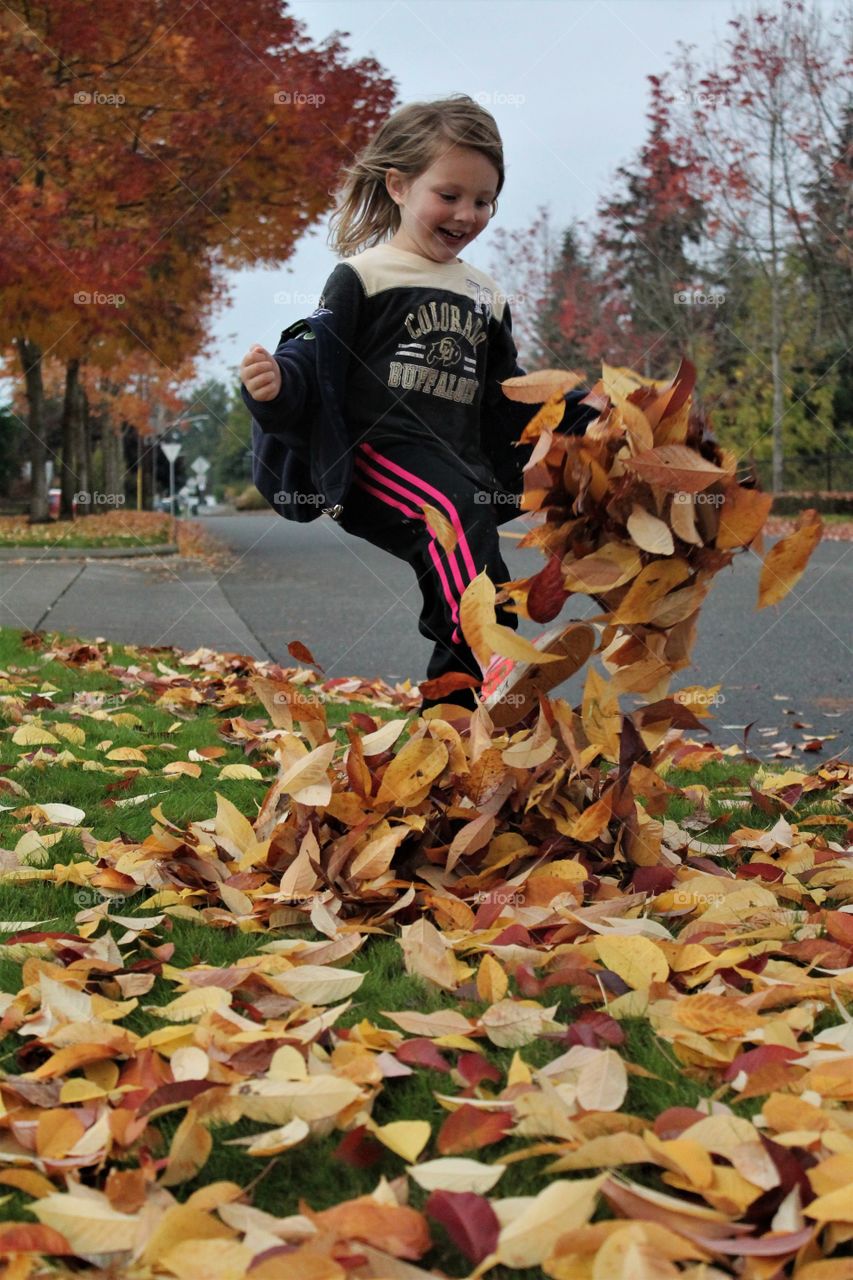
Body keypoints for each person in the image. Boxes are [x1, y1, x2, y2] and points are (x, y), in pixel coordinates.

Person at [240, 94, 597, 717]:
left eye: (484, 200)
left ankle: (454, 722)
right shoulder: (365, 276)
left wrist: (584, 413)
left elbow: (509, 393)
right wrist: (278, 384)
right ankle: (497, 651)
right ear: (399, 186)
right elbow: (318, 355)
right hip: (377, 457)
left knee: (465, 542)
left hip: (457, 463)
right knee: (451, 518)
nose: (467, 213)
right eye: (450, 195)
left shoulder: (485, 294)